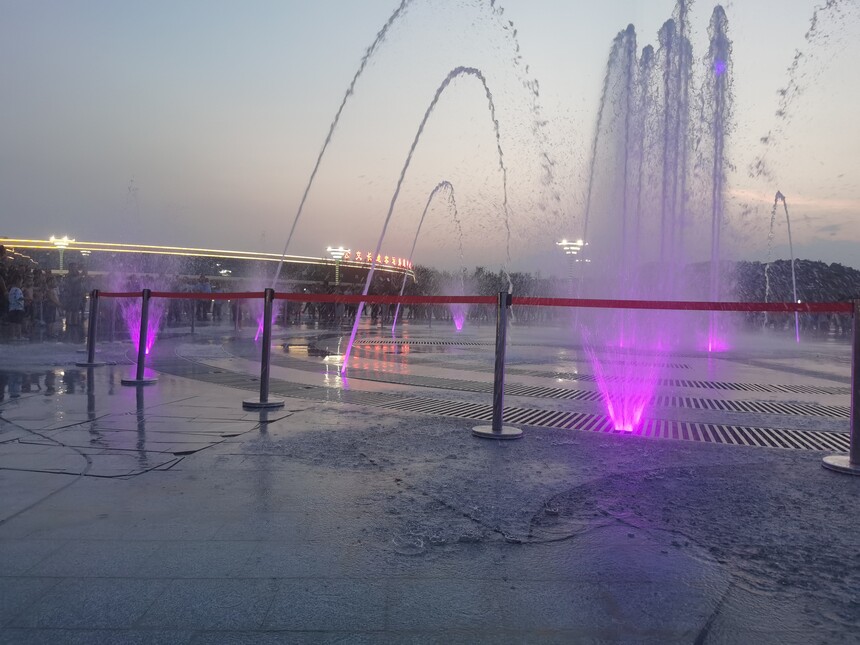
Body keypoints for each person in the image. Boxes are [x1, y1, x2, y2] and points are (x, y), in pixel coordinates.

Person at [8, 274, 25, 341]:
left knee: (12, 322)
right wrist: (27, 298)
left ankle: (12, 336)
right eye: (21, 282)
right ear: (18, 281)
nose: (21, 284)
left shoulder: (11, 290)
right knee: (18, 323)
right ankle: (19, 336)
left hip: (11, 308)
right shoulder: (17, 289)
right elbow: (19, 298)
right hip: (18, 308)